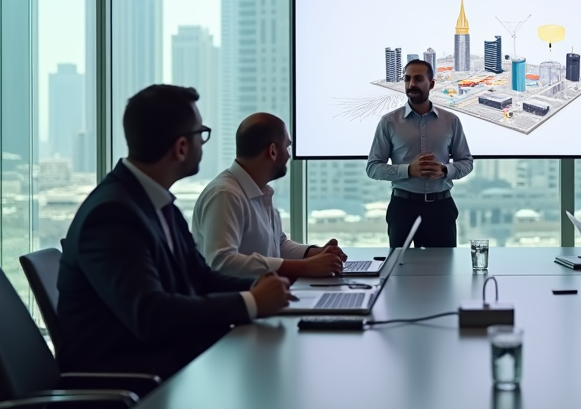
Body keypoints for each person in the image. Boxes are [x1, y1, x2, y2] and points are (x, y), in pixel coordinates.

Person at [57, 86, 291, 379]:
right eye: (201, 134)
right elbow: (151, 314)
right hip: (128, 390)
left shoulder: (155, 202)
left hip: (169, 365)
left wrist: (267, 288)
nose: (204, 145)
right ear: (181, 147)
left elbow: (199, 276)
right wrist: (252, 302)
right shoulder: (112, 214)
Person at [193, 113, 347, 280]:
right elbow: (221, 261)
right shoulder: (225, 195)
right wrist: (305, 267)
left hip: (267, 297)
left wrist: (315, 253)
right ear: (272, 151)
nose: (289, 155)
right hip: (239, 304)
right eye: (287, 147)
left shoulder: (261, 191)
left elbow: (278, 245)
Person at [367, 59, 474, 247]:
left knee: (443, 271)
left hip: (441, 208)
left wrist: (444, 170)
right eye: (407, 79)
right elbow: (373, 168)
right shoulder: (389, 122)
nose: (411, 85)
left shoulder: (451, 121)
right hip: (403, 208)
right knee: (401, 270)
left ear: (431, 84)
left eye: (418, 79)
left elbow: (466, 162)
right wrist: (409, 170)